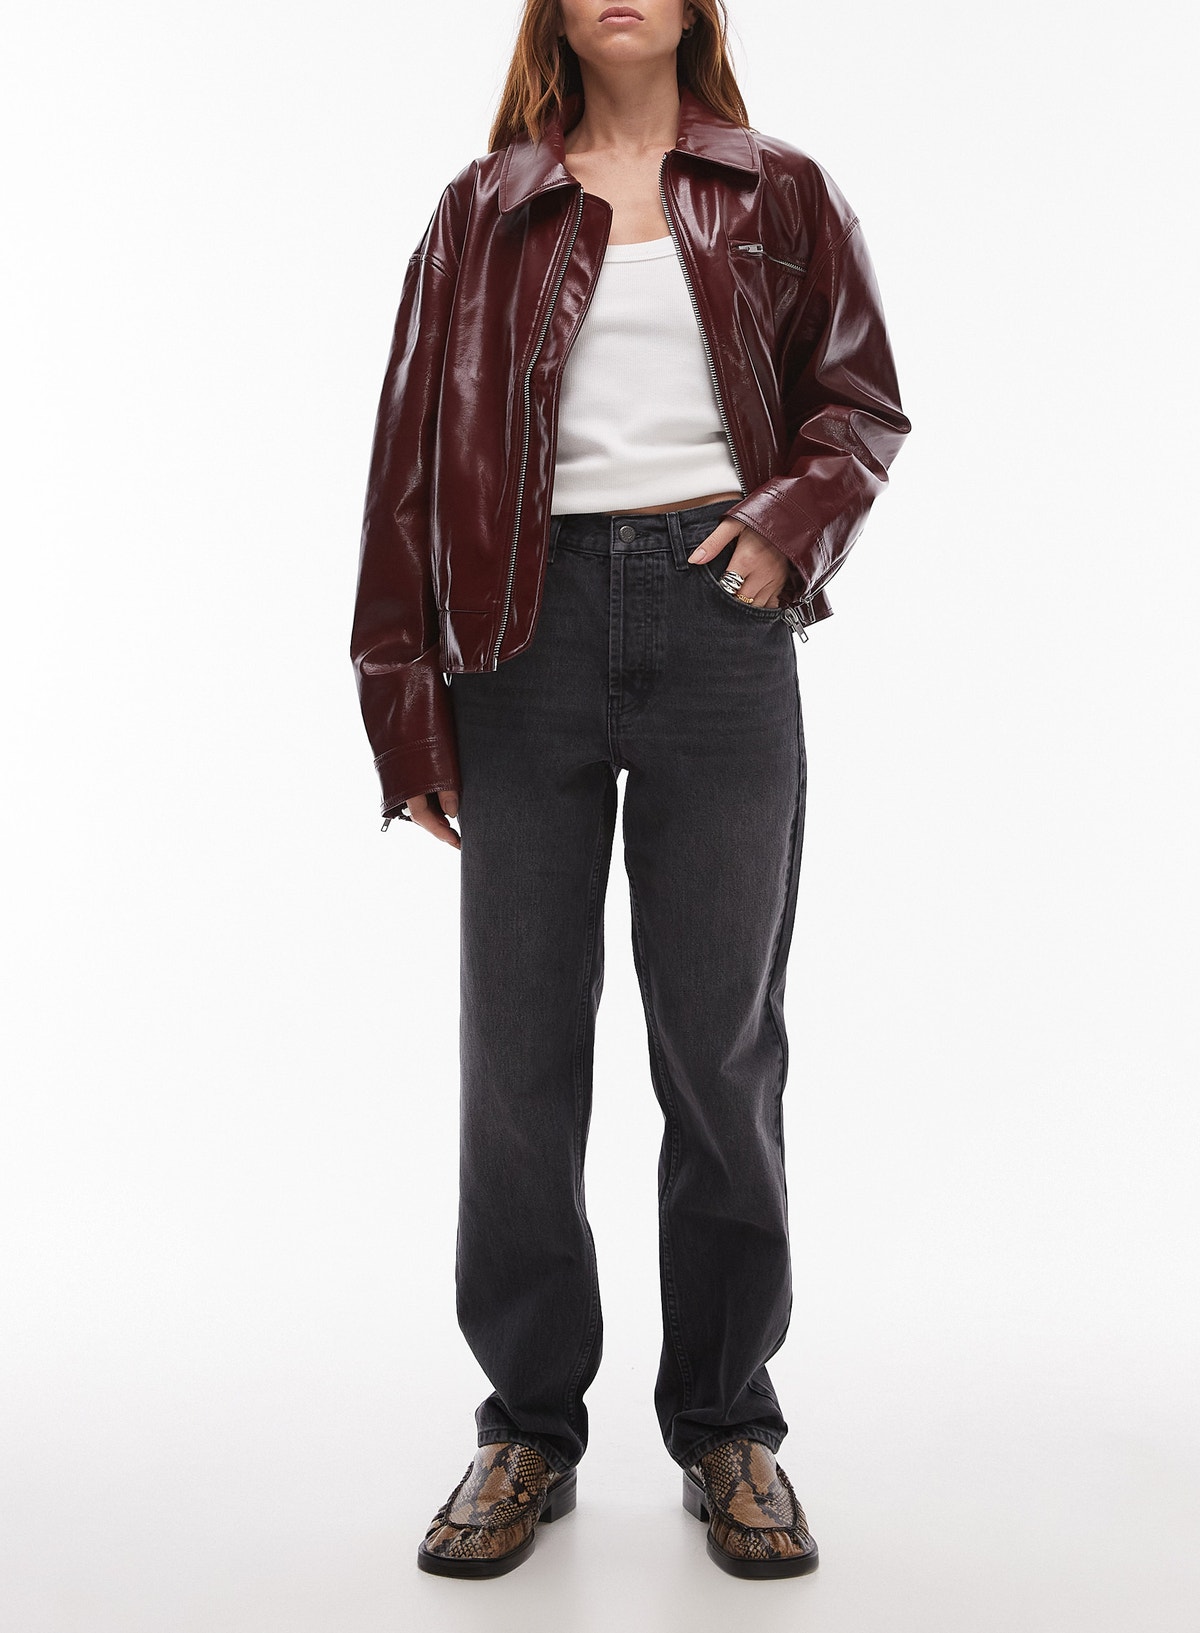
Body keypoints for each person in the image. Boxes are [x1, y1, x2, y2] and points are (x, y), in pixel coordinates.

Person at [349, 0, 911, 1582]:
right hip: (517, 636)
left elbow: (859, 406)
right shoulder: (483, 210)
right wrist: (403, 705)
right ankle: (527, 1424)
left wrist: (787, 527)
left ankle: (728, 1422)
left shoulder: (781, 191)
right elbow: (405, 462)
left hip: (721, 622)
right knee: (520, 1053)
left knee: (719, 1046)